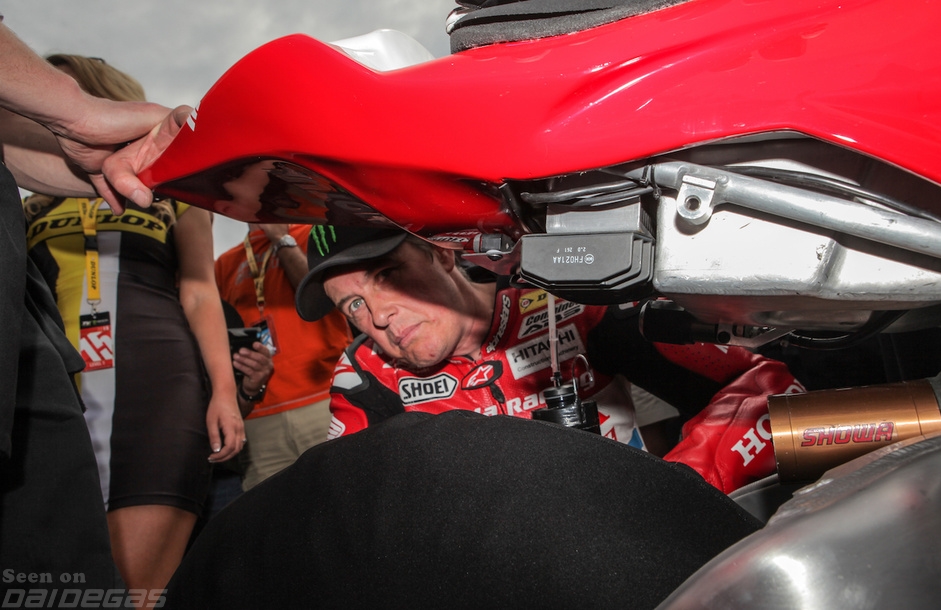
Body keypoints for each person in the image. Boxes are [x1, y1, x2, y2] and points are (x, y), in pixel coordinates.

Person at [295, 225, 804, 494]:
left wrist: (679, 489)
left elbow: (769, 386)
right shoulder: (365, 377)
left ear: (441, 253)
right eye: (353, 305)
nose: (379, 314)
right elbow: (350, 515)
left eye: (387, 275)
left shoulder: (567, 306)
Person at [18, 53, 245, 600]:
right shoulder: (30, 202)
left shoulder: (171, 188)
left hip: (159, 378)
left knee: (140, 590)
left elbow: (199, 290)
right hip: (55, 385)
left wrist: (224, 391)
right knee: (64, 579)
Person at [0, 16, 195, 605]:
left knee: (67, 566)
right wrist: (73, 109)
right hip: (64, 352)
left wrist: (84, 127)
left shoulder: (171, 201)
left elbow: (198, 289)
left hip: (64, 349)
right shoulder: (38, 203)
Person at [216, 223, 352, 491]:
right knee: (273, 515)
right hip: (259, 417)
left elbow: (321, 298)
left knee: (347, 500)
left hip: (326, 400)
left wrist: (281, 238)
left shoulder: (314, 234)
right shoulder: (224, 263)